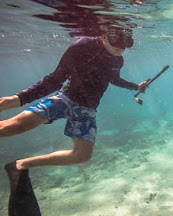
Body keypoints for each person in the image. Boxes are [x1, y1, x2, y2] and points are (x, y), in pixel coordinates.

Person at [0, 28, 149, 178]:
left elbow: (114, 79)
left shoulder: (118, 59)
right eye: (116, 38)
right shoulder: (82, 46)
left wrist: (136, 86)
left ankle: (21, 164)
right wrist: (20, 98)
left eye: (127, 41)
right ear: (103, 34)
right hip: (65, 100)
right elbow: (55, 79)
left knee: (82, 155)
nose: (121, 46)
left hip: (88, 110)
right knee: (10, 128)